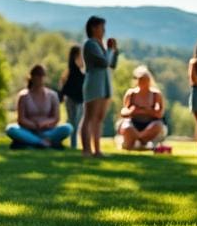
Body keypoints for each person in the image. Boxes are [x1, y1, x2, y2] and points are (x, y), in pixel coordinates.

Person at [5, 64, 72, 148]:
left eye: (42, 75)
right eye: (38, 75)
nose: (40, 78)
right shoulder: (23, 96)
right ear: (32, 77)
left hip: (47, 130)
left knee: (68, 128)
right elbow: (21, 119)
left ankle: (30, 142)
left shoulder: (52, 95)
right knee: (11, 129)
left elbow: (56, 118)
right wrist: (34, 125)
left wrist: (44, 123)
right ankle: (40, 142)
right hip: (28, 130)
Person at [80, 16, 119, 157]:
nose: (104, 31)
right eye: (102, 28)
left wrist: (115, 50)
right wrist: (109, 50)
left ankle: (97, 150)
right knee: (89, 117)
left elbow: (112, 64)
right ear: (93, 28)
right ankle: (86, 150)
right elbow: (103, 63)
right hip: (94, 84)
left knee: (99, 118)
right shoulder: (90, 44)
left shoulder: (100, 45)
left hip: (104, 85)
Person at [118, 66, 165, 149]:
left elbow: (160, 114)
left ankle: (140, 139)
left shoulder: (156, 94)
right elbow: (123, 112)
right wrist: (132, 111)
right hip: (133, 123)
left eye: (145, 80)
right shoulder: (131, 94)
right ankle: (140, 141)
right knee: (126, 126)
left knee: (158, 125)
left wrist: (146, 111)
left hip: (150, 124)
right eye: (141, 80)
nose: (143, 82)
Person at [58, 46, 85, 150]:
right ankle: (73, 145)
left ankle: (74, 144)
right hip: (72, 101)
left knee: (75, 123)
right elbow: (65, 89)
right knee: (73, 123)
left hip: (78, 101)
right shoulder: (73, 74)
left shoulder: (78, 74)